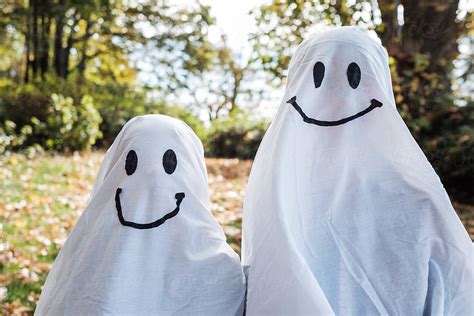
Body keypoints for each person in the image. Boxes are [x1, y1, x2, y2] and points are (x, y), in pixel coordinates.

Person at [242, 26, 473, 315]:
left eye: (353, 77)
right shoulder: (274, 189)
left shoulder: (416, 197)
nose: (334, 96)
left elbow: (455, 287)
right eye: (318, 78)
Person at [35, 115, 246, 315]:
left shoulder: (84, 253)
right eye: (132, 164)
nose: (152, 176)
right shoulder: (222, 266)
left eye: (169, 165)